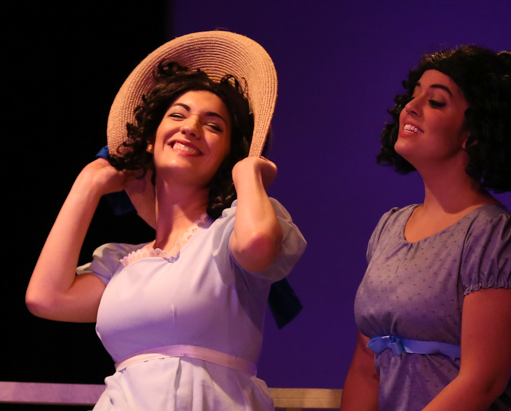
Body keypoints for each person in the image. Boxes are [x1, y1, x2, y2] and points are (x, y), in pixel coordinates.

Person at [25, 32, 306, 411]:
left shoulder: (228, 234)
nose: (190, 128)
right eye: (177, 115)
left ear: (228, 155)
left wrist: (248, 173)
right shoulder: (121, 263)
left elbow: (258, 246)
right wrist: (88, 184)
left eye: (214, 125)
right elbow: (46, 298)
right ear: (150, 140)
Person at [341, 45, 511, 411]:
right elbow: (366, 367)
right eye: (414, 96)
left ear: (473, 134)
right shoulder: (389, 228)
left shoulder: (495, 235)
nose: (410, 107)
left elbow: (482, 380)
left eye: (436, 102)